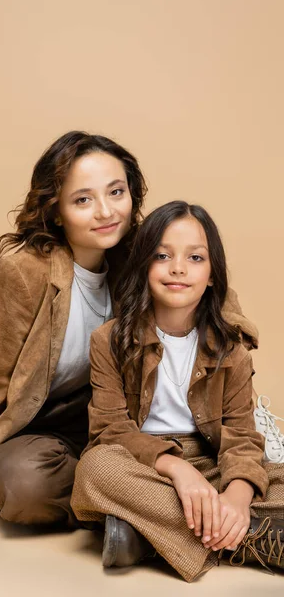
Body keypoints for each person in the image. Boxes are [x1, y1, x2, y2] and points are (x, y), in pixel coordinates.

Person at [0, 136, 252, 529]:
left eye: (116, 192)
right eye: (83, 200)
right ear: (56, 210)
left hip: (128, 420)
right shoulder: (23, 272)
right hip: (48, 430)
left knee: (242, 463)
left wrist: (232, 346)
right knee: (26, 487)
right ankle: (138, 506)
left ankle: (143, 509)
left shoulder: (144, 253)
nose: (106, 211)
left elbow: (215, 295)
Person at [71, 201, 284, 580]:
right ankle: (250, 538)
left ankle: (142, 537)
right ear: (144, 266)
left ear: (213, 275)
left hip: (211, 462)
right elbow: (110, 430)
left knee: (270, 478)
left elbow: (240, 437)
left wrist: (236, 495)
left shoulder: (231, 347)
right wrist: (177, 469)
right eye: (163, 255)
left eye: (196, 258)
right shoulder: (109, 341)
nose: (178, 268)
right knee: (94, 470)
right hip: (144, 464)